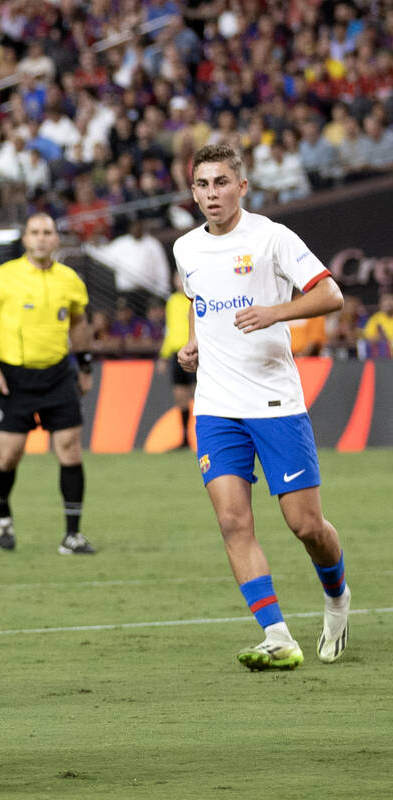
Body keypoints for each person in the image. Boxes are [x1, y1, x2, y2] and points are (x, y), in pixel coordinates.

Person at [175, 144, 350, 670]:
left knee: (305, 525)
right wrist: (194, 344)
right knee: (233, 522)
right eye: (203, 184)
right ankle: (277, 634)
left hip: (275, 402)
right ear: (193, 192)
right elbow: (197, 303)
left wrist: (276, 312)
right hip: (215, 406)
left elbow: (332, 295)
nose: (212, 194)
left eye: (222, 182)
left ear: (242, 187)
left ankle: (337, 599)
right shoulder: (185, 248)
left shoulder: (272, 237)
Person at [0, 213, 97, 556]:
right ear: (25, 239)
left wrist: (84, 366)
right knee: (8, 455)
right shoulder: (2, 278)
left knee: (70, 448)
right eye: (35, 233)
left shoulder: (70, 280)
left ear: (57, 239)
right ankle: (2, 512)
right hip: (14, 378)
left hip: (58, 374)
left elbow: (79, 323)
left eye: (48, 233)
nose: (42, 238)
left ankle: (72, 535)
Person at [158, 270, 194, 449]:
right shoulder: (172, 301)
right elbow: (169, 330)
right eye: (176, 277)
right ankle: (185, 438)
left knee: (201, 396)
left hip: (196, 353)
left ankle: (204, 439)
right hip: (176, 354)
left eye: (182, 277)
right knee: (181, 397)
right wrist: (164, 355)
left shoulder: (196, 297)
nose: (178, 281)